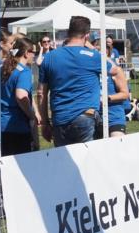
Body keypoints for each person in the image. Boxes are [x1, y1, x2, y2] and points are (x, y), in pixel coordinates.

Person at [38, 15, 126, 146]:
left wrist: (44, 122)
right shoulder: (92, 56)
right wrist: (92, 48)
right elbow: (115, 69)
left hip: (60, 118)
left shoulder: (49, 57)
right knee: (87, 161)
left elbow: (41, 93)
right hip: (85, 116)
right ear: (87, 35)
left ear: (69, 32)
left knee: (64, 162)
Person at [0, 37, 41, 155]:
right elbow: (21, 96)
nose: (35, 55)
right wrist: (31, 115)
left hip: (0, 124)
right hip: (17, 125)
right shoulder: (24, 71)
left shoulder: (4, 68)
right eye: (34, 52)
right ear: (27, 53)